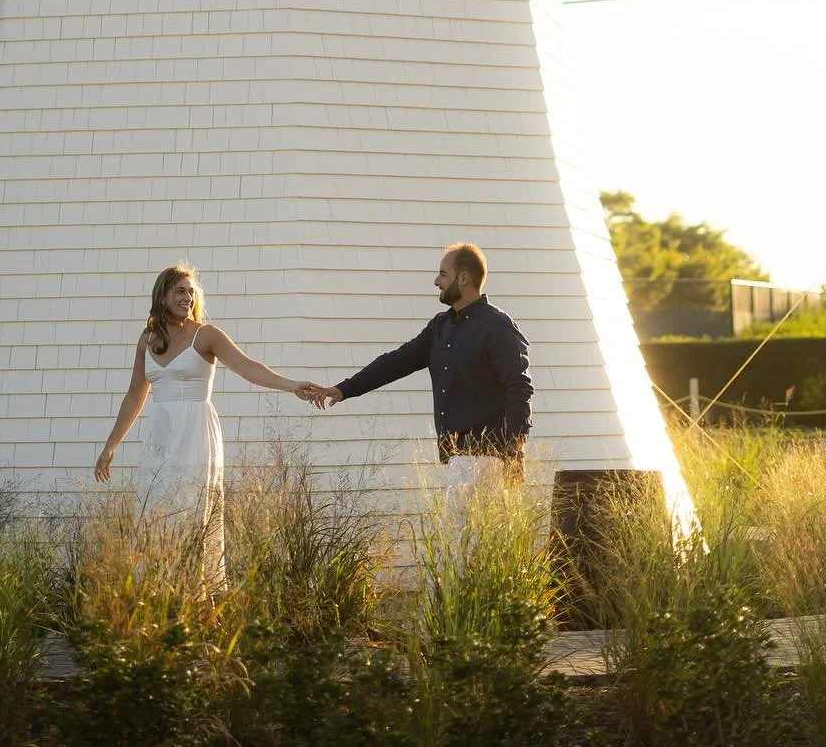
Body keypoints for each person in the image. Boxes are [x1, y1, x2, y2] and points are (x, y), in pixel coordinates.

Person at [94, 260, 319, 585]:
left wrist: (291, 385)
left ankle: (195, 599)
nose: (187, 297)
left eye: (191, 292)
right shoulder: (147, 339)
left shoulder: (206, 335)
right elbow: (134, 395)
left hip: (196, 432)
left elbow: (247, 366)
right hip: (161, 435)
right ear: (163, 296)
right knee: (153, 514)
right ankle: (156, 595)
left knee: (191, 511)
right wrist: (110, 446)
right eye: (179, 291)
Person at [312, 243, 532, 496]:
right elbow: (395, 362)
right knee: (461, 535)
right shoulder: (440, 327)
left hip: (488, 457)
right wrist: (343, 389)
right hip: (459, 458)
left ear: (463, 278)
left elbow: (520, 387)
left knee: (468, 534)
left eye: (443, 274)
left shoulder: (497, 325)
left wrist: (515, 451)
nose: (436, 281)